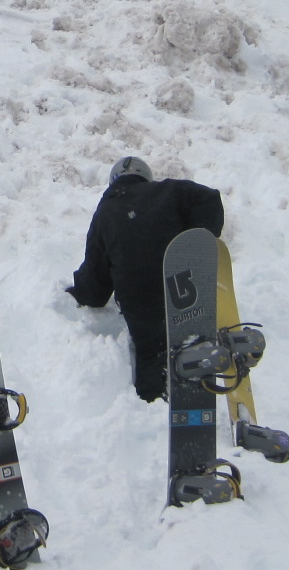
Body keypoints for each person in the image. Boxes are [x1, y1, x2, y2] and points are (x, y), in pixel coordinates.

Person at [65, 156, 226, 402]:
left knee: (152, 355)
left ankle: (154, 405)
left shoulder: (105, 213)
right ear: (146, 177)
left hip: (141, 300)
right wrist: (195, 245)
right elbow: (210, 199)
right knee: (190, 337)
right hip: (182, 284)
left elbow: (95, 286)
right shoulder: (170, 190)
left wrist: (77, 292)